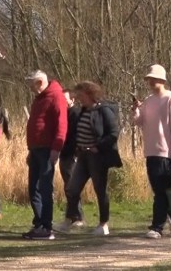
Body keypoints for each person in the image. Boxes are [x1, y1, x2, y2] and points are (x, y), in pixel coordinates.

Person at [56, 81, 122, 236]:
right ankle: (69, 220)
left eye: (81, 95)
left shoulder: (104, 111)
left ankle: (103, 224)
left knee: (100, 190)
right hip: (83, 156)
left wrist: (97, 146)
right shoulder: (83, 111)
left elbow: (113, 134)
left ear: (89, 94)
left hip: (97, 157)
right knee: (72, 188)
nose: (78, 98)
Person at [132, 64, 171, 239]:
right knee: (162, 190)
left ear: (161, 80)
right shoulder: (149, 100)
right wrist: (136, 110)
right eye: (149, 79)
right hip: (151, 151)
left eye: (153, 79)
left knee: (163, 191)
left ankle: (157, 226)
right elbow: (140, 122)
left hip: (166, 151)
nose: (150, 82)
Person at [22, 70, 68, 240]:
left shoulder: (55, 96)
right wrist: (30, 149)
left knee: (45, 187)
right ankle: (39, 223)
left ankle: (47, 226)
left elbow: (61, 125)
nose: (31, 89)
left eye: (32, 85)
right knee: (33, 187)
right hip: (35, 149)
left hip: (47, 149)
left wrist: (56, 149)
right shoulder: (39, 99)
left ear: (40, 83)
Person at [60, 90, 82, 227]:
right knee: (68, 187)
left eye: (65, 99)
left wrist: (75, 153)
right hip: (64, 153)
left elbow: (77, 136)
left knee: (72, 186)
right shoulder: (64, 114)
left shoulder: (75, 113)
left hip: (71, 154)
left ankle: (77, 217)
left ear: (72, 100)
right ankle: (70, 217)